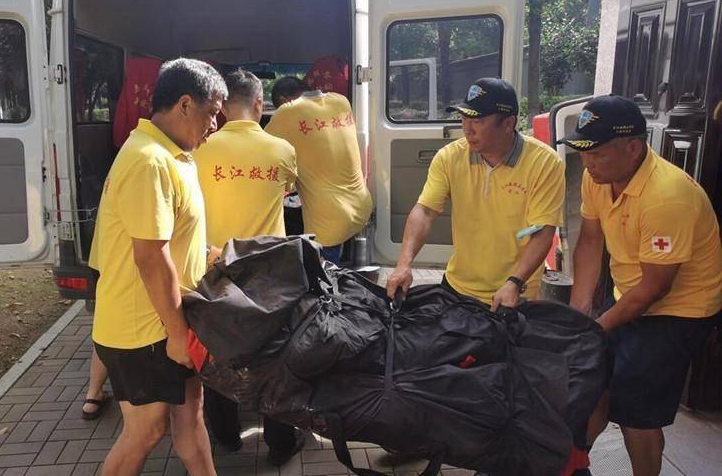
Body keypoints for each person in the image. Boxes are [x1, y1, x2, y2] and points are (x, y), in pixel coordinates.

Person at [560, 95, 722, 476]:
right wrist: (578, 313)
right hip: (630, 295)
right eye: (582, 151)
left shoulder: (667, 196)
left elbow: (655, 289)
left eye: (596, 152)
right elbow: (590, 240)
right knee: (593, 384)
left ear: (633, 147)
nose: (587, 162)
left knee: (637, 410)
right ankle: (570, 464)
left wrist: (596, 327)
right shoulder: (596, 177)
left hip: (681, 309)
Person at [89, 58, 227, 476]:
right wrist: (178, 334)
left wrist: (209, 253)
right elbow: (150, 256)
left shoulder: (176, 156)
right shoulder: (148, 160)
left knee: (191, 415)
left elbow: (170, 236)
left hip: (169, 320)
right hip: (143, 329)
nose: (216, 124)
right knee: (147, 430)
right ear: (185, 104)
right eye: (212, 111)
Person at [193, 69, 305, 465]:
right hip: (267, 271)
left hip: (213, 267)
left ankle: (225, 435)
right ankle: (280, 441)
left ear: (221, 108)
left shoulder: (199, 148)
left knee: (219, 350)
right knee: (274, 355)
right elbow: (289, 193)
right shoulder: (282, 150)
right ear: (261, 104)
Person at [386, 77, 565, 311]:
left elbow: (542, 231)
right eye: (464, 118)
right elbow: (425, 211)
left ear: (508, 123)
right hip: (457, 286)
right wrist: (403, 264)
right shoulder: (449, 157)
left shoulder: (544, 162)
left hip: (514, 290)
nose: (467, 129)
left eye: (478, 121)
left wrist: (514, 282)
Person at [265, 83, 371, 263]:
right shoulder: (340, 101)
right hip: (361, 206)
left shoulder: (286, 113)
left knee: (325, 281)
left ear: (283, 100)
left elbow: (260, 147)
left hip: (328, 222)